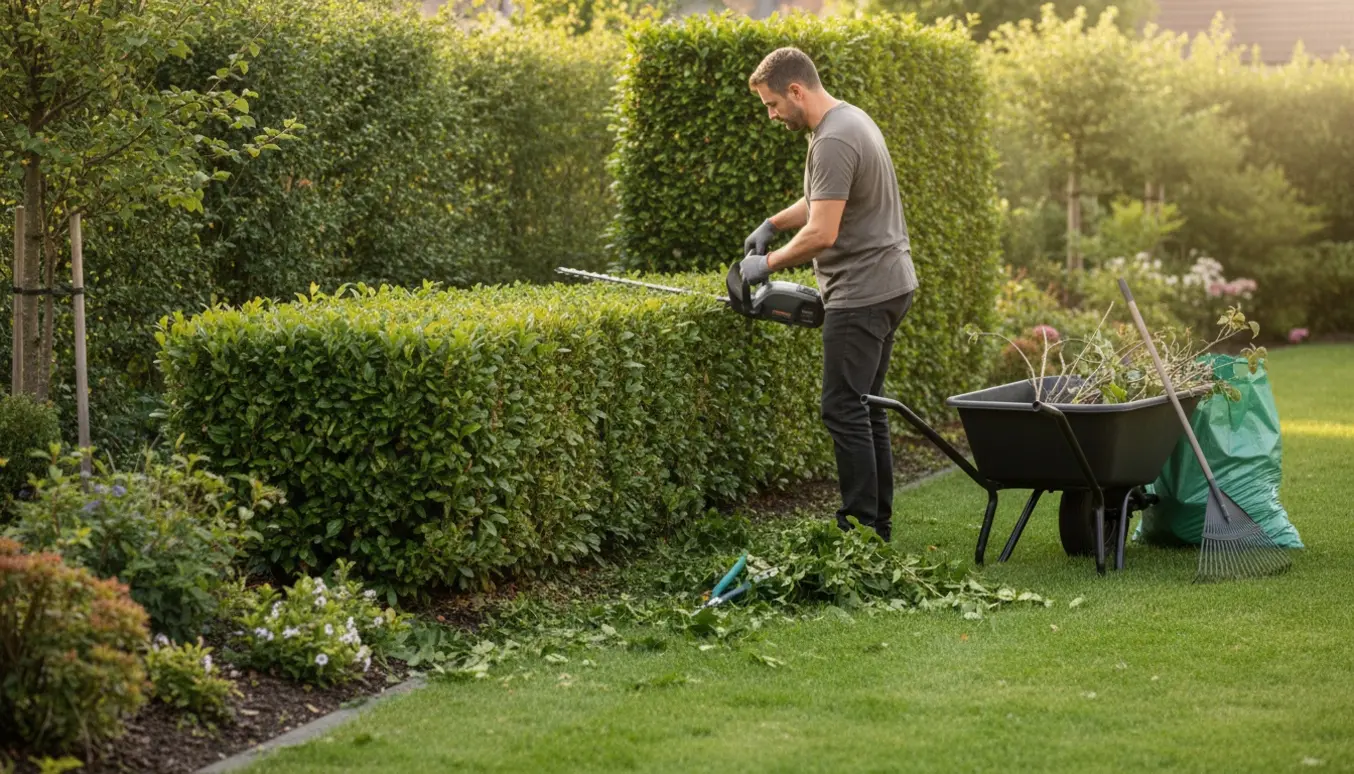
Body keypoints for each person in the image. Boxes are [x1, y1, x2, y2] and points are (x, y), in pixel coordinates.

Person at [740, 46, 918, 543]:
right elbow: (824, 195)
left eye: (773, 105)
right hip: (890, 283)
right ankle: (875, 526)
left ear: (796, 91)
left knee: (842, 407)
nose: (772, 115)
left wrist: (766, 264)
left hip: (862, 292)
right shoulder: (847, 121)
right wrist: (772, 224)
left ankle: (858, 529)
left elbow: (824, 231)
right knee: (866, 404)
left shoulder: (834, 138)